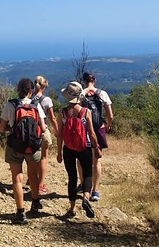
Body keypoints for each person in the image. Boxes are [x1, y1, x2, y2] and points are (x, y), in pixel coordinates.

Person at [0, 78, 48, 224]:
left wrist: (11, 129)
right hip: (32, 146)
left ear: (18, 90)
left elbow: (1, 128)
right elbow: (44, 128)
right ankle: (35, 202)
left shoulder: (11, 104)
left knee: (17, 178)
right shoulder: (36, 105)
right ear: (30, 91)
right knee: (33, 175)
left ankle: (20, 213)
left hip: (15, 145)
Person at [56, 81, 101, 219]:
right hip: (84, 146)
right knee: (87, 174)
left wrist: (59, 152)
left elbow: (60, 134)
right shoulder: (85, 112)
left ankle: (72, 208)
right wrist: (96, 148)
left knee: (72, 177)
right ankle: (86, 198)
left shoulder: (62, 113)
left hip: (68, 148)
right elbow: (92, 133)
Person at [77, 72, 113, 202]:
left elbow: (76, 112)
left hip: (84, 129)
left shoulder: (81, 94)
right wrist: (107, 125)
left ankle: (83, 185)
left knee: (81, 160)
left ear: (84, 81)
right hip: (98, 128)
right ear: (94, 80)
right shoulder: (102, 93)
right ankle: (95, 191)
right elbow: (110, 114)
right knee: (96, 160)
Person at [30, 76, 59, 194]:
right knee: (43, 157)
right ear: (44, 86)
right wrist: (57, 131)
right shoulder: (47, 100)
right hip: (43, 130)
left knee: (33, 157)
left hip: (31, 132)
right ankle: (40, 184)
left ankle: (31, 179)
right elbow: (51, 117)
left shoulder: (29, 98)